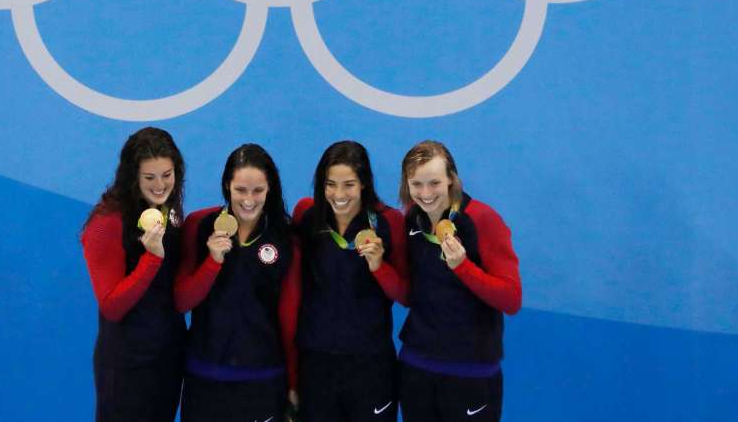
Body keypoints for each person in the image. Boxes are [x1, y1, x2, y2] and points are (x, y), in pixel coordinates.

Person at [175, 144, 300, 422]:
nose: (249, 200)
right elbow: (182, 301)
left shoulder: (285, 237)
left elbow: (289, 317)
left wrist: (293, 383)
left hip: (264, 380)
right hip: (204, 379)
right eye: (240, 190)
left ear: (270, 189)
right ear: (227, 187)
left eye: (258, 191)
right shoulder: (200, 225)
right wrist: (212, 262)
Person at [397, 140, 521, 422]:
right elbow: (410, 294)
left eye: (435, 183)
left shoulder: (482, 219)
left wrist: (463, 267)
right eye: (417, 184)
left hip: (470, 373)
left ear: (452, 179)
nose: (426, 194)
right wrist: (378, 267)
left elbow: (511, 299)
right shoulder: (411, 219)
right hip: (417, 367)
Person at [293, 140, 408, 422]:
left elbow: (407, 294)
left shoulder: (389, 222)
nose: (338, 194)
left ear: (364, 184)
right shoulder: (307, 216)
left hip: (370, 364)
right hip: (316, 362)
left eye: (349, 185)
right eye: (330, 184)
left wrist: (380, 267)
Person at [81, 127, 187, 422]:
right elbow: (112, 306)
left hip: (167, 359)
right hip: (125, 365)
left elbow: (176, 294)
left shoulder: (169, 212)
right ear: (132, 177)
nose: (160, 185)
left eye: (167, 175)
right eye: (149, 177)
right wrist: (151, 258)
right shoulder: (107, 221)